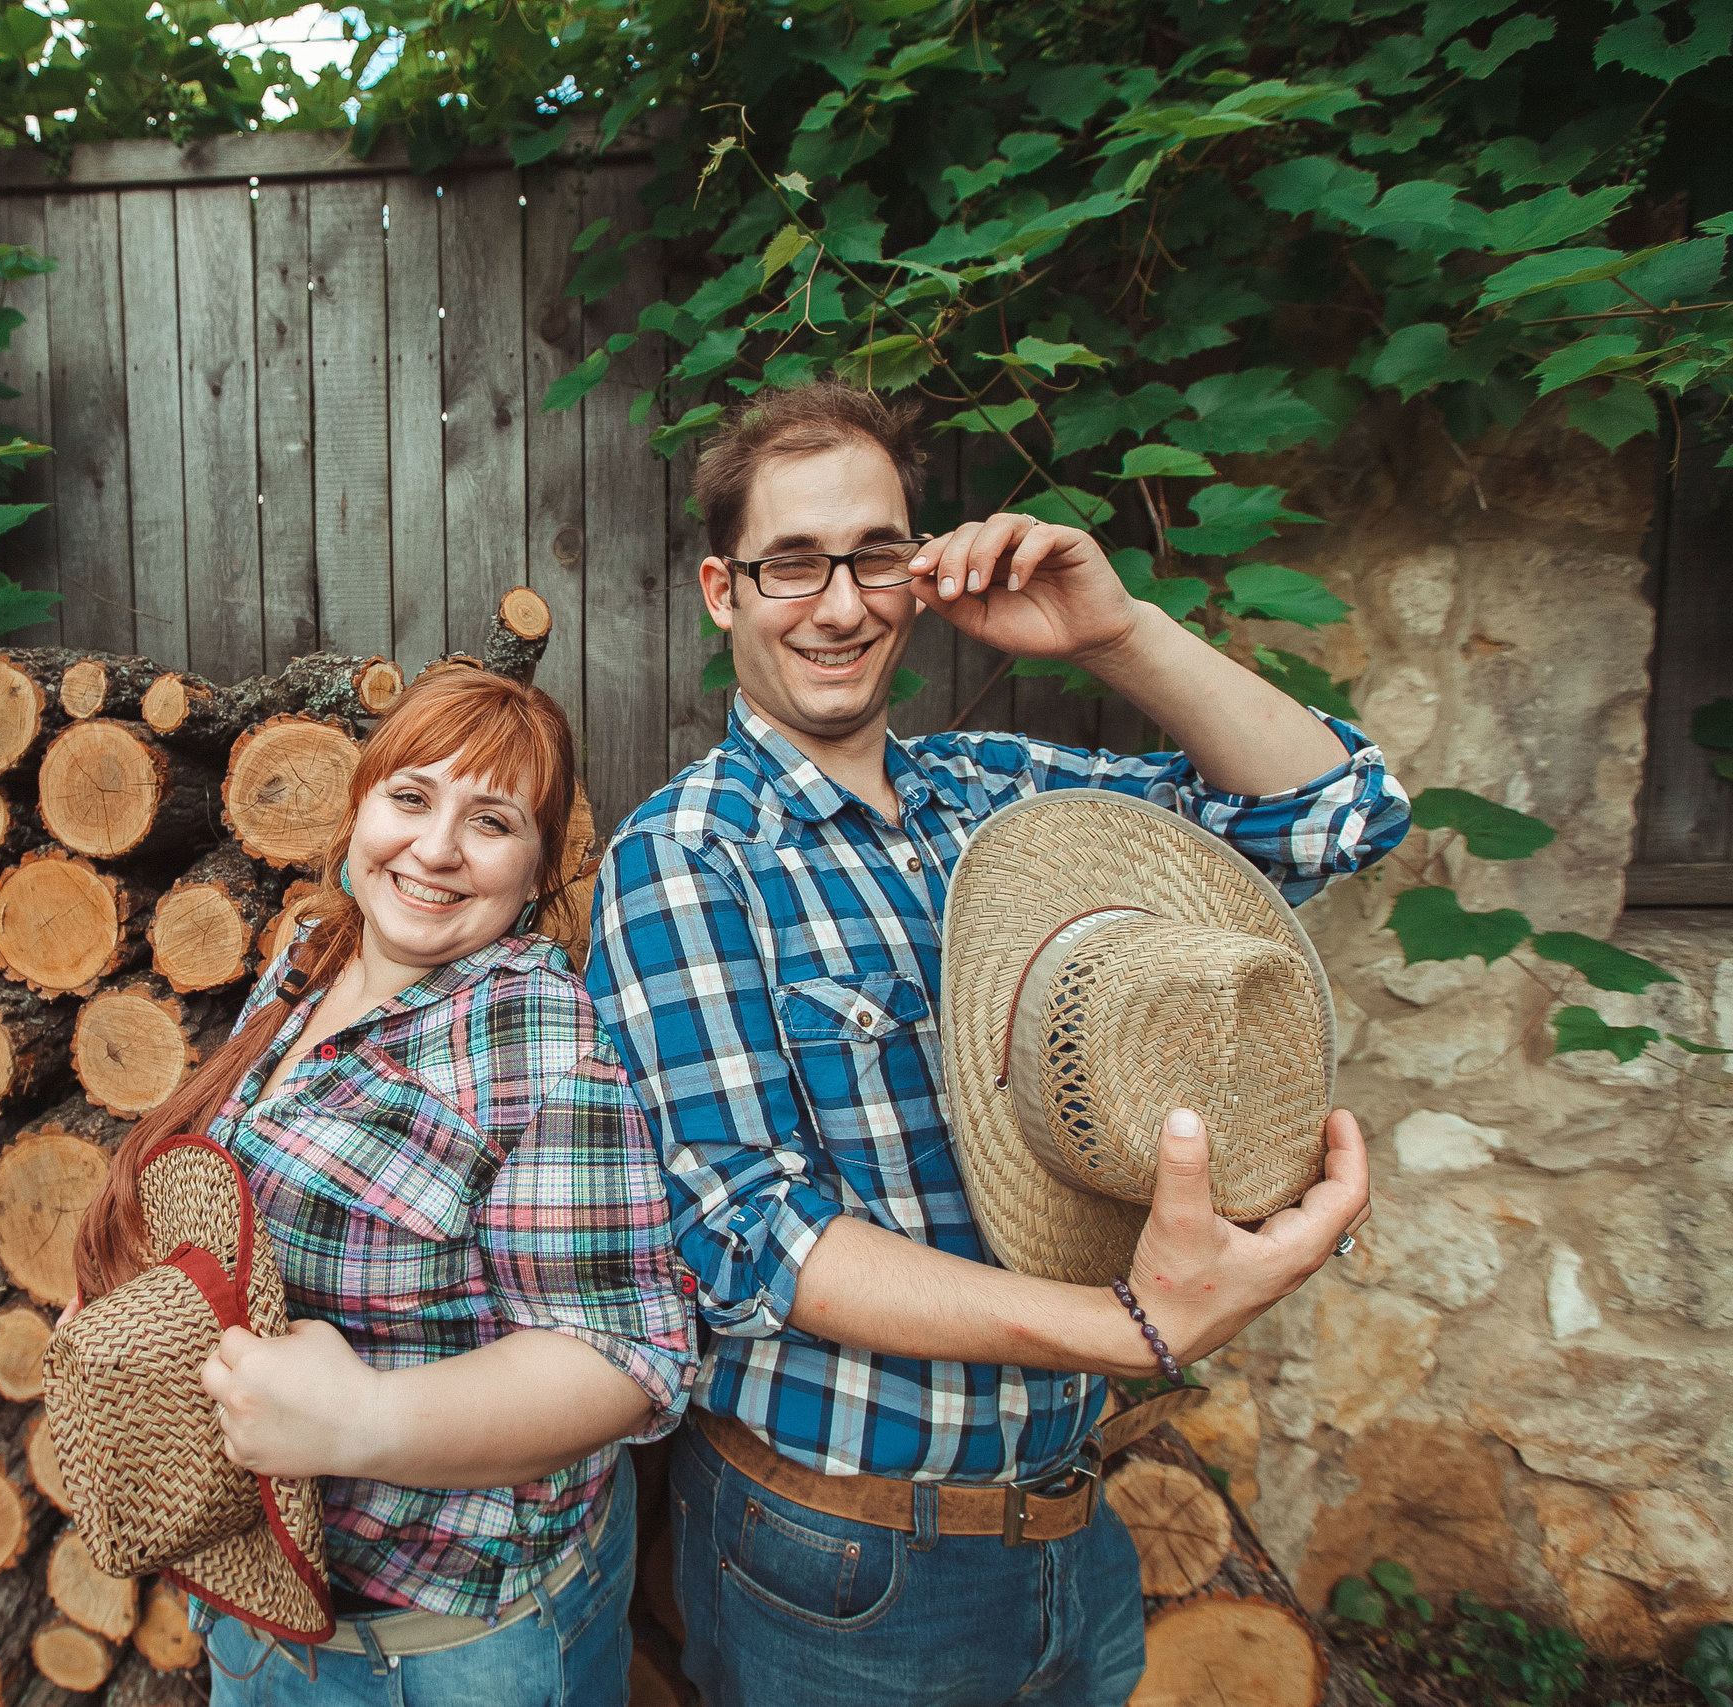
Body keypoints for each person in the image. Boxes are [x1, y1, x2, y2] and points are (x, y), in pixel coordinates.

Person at [582, 381, 1409, 1707]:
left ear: (919, 571)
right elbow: (747, 1232)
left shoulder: (1000, 792)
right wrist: (1125, 1330)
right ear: (722, 590)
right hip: (847, 1559)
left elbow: (1331, 817)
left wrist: (1118, 632)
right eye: (793, 562)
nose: (840, 605)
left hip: (1070, 1528)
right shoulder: (687, 856)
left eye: (874, 554)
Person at [74, 665, 697, 1706]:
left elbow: (627, 1358)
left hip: (438, 1651)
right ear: (360, 807)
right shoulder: (310, 957)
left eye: (491, 822)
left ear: (538, 871)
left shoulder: (534, 1041)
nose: (436, 847)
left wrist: (367, 1418)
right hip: (260, 1591)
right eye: (410, 797)